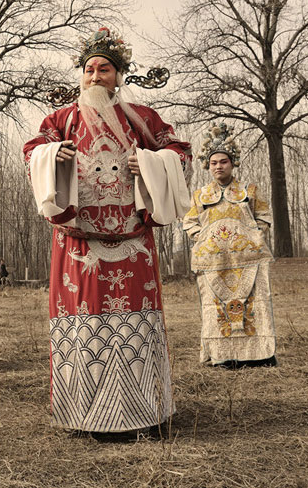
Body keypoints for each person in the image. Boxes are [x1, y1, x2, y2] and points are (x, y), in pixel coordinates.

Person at [23, 27, 192, 433]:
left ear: (119, 76)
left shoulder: (142, 118)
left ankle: (143, 415)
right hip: (80, 245)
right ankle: (83, 415)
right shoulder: (61, 119)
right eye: (89, 70)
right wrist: (52, 156)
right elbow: (31, 151)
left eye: (104, 70)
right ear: (81, 75)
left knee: (137, 324)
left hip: (133, 242)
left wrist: (150, 163)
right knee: (85, 326)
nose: (95, 77)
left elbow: (179, 152)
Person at [182, 123, 277, 368]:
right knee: (216, 310)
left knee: (254, 305)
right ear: (207, 166)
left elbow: (264, 217)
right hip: (213, 263)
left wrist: (254, 235)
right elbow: (189, 222)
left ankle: (259, 355)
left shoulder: (249, 191)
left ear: (232, 163)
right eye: (213, 163)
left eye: (223, 162)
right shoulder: (199, 196)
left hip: (248, 262)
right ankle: (222, 355)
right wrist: (203, 238)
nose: (218, 167)